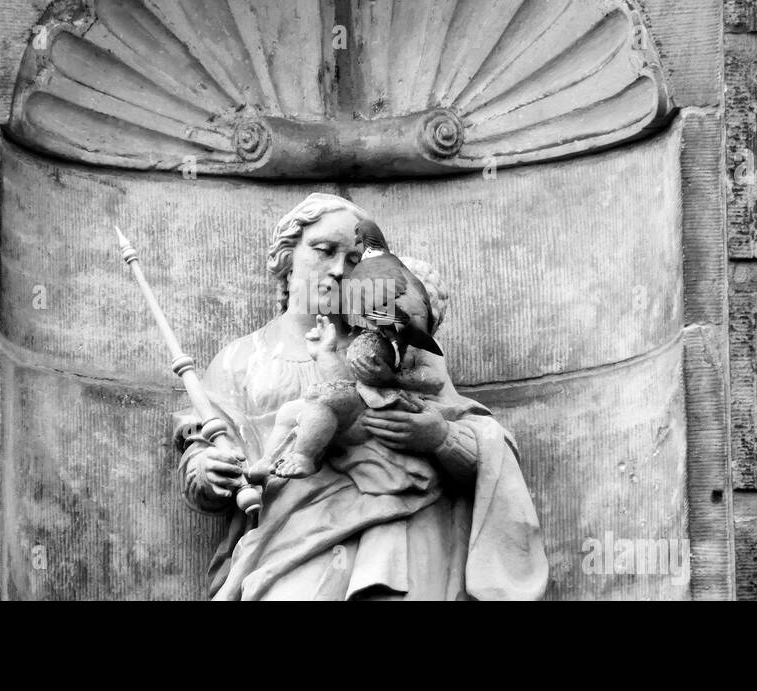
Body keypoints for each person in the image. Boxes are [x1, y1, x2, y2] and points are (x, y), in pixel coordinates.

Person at [172, 192, 548, 600]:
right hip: (287, 538)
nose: (337, 269)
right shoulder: (240, 360)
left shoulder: (394, 351)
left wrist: (439, 438)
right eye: (324, 250)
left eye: (354, 260)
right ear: (286, 257)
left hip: (399, 532)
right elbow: (204, 451)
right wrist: (207, 473)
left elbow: (487, 444)